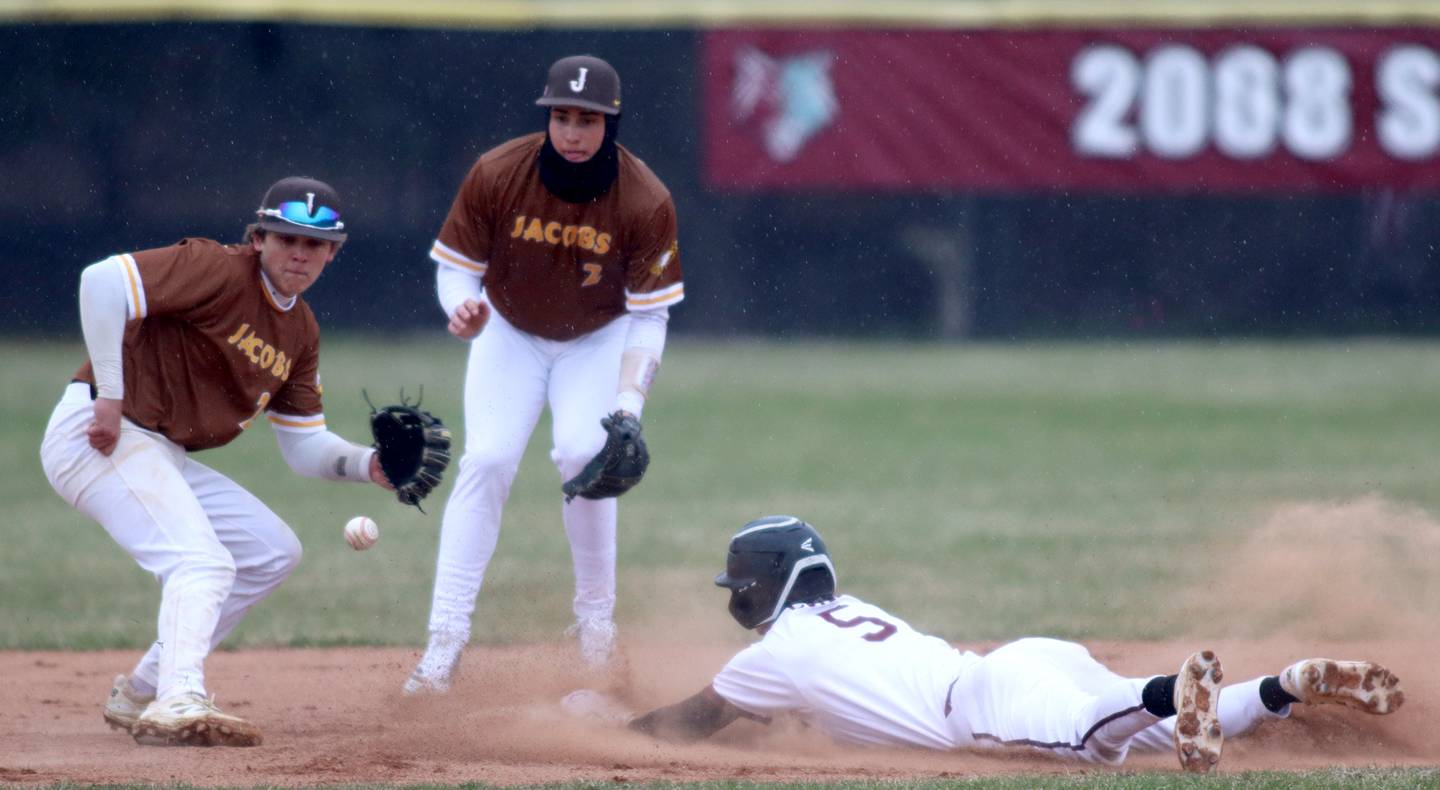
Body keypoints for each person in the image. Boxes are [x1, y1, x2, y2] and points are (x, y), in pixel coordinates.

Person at [580, 516, 1405, 773]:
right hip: (1019, 661)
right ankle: (1283, 686)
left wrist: (595, 734)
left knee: (1092, 740)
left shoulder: (771, 657)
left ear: (761, 589)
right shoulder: (842, 617)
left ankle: (1167, 690)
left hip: (979, 705)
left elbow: (689, 724)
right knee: (1176, 730)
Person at [40, 177, 395, 747]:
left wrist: (368, 464)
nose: (299, 254)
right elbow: (101, 281)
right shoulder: (216, 269)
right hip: (99, 433)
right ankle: (178, 696)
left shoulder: (299, 331)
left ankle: (142, 690)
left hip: (154, 448)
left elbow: (304, 445)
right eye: (286, 239)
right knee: (200, 560)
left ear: (334, 251)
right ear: (258, 238)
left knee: (270, 551)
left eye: (314, 243)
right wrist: (109, 391)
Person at [404, 54, 684, 694]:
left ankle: (595, 634)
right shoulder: (500, 171)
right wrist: (461, 306)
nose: (573, 131)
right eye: (562, 116)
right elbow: (455, 267)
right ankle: (442, 646)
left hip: (598, 335)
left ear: (610, 122)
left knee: (587, 456)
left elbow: (649, 317)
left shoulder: (644, 198)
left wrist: (629, 405)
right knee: (489, 460)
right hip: (509, 330)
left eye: (587, 119)